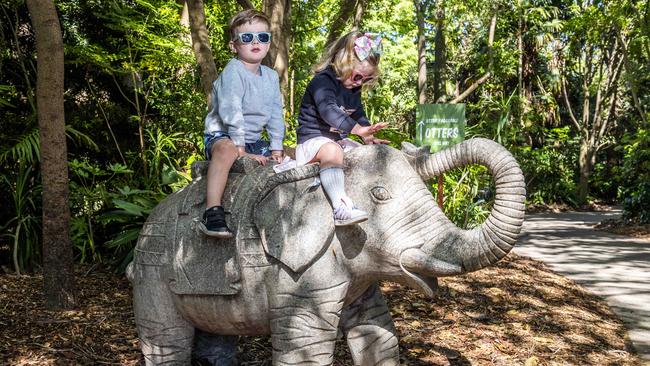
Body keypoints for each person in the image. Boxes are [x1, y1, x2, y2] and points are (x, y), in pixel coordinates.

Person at [200, 9, 285, 238]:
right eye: (247, 38)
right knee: (227, 150)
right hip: (224, 136)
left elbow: (276, 113)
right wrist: (240, 149)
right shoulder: (233, 71)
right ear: (234, 45)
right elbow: (231, 110)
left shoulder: (270, 76)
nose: (255, 42)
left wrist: (277, 147)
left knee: (292, 155)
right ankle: (212, 211)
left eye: (262, 37)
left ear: (268, 41)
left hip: (254, 140)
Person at [296, 31, 389, 226]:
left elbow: (359, 116)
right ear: (342, 62)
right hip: (313, 144)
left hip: (336, 143)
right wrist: (357, 129)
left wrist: (368, 137)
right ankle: (340, 207)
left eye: (366, 80)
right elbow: (329, 111)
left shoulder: (353, 89)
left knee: (367, 155)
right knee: (332, 149)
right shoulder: (323, 81)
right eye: (357, 76)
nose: (359, 83)